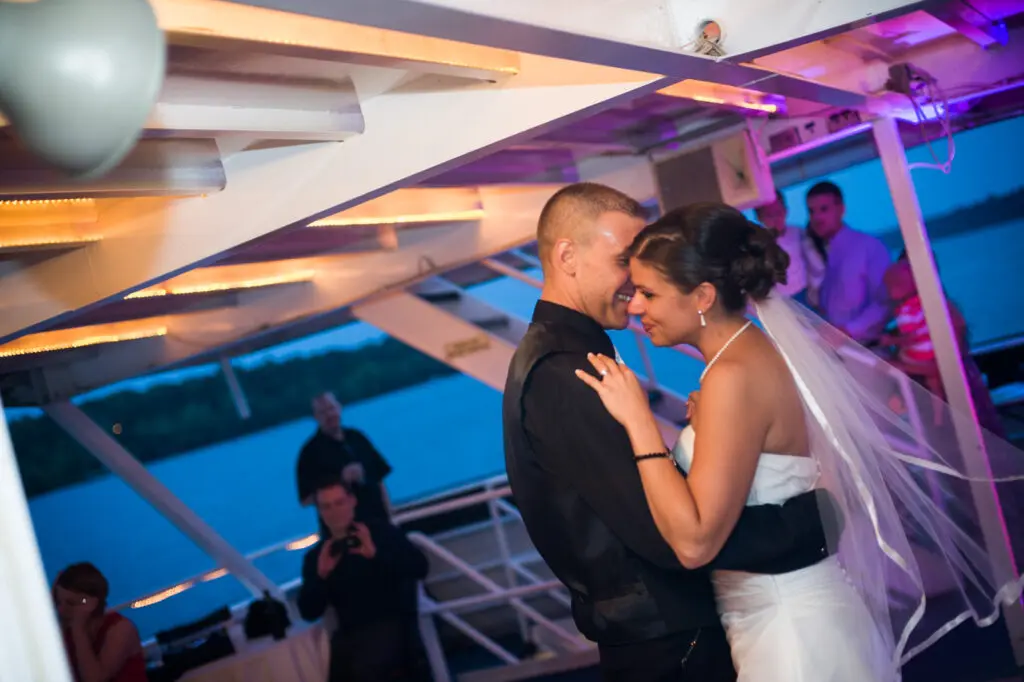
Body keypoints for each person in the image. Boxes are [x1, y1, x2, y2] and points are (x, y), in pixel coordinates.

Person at [575, 202, 1024, 681]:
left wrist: (639, 422)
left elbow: (694, 543)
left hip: (789, 634)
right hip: (795, 616)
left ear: (703, 296)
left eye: (648, 293)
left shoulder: (731, 376)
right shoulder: (749, 353)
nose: (635, 306)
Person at [503, 183, 834, 682]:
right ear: (567, 256)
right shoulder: (565, 370)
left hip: (676, 631)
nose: (636, 285)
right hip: (669, 640)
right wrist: (809, 523)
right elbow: (666, 532)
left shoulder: (569, 354)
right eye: (623, 261)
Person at [297, 478, 429, 682]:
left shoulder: (381, 533)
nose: (334, 512)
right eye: (327, 507)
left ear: (352, 501)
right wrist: (322, 575)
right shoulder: (318, 557)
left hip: (394, 624)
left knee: (367, 661)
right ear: (320, 511)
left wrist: (375, 554)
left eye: (339, 503)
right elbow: (309, 611)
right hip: (353, 636)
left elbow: (420, 567)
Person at [804, 181, 891, 346]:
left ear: (841, 209)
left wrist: (849, 330)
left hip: (869, 350)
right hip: (835, 350)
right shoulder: (818, 254)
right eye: (811, 211)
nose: (817, 218)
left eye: (824, 209)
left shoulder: (869, 246)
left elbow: (885, 302)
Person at [296, 392, 393, 524]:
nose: (329, 415)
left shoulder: (357, 437)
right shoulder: (309, 453)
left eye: (331, 408)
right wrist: (340, 482)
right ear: (316, 417)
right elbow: (305, 500)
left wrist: (390, 517)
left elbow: (380, 480)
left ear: (339, 408)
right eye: (323, 412)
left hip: (379, 521)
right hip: (344, 530)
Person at [53, 562, 147, 682]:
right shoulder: (65, 629)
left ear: (91, 603)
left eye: (71, 603)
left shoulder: (120, 629)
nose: (61, 610)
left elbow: (94, 679)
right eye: (58, 602)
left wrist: (78, 628)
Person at [752, 190, 809, 304]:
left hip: (804, 291)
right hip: (780, 299)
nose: (776, 218)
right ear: (759, 217)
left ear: (786, 211)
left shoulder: (797, 232)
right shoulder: (759, 244)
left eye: (779, 212)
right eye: (769, 215)